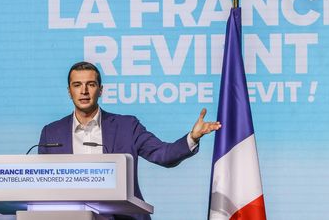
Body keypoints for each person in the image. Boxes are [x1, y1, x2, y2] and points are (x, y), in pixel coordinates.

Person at [39, 61, 221, 220]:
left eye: (91, 84)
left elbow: (164, 155)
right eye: (77, 85)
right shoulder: (51, 133)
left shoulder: (127, 126)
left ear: (100, 90)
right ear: (70, 91)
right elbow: (42, 187)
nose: (84, 91)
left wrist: (193, 137)